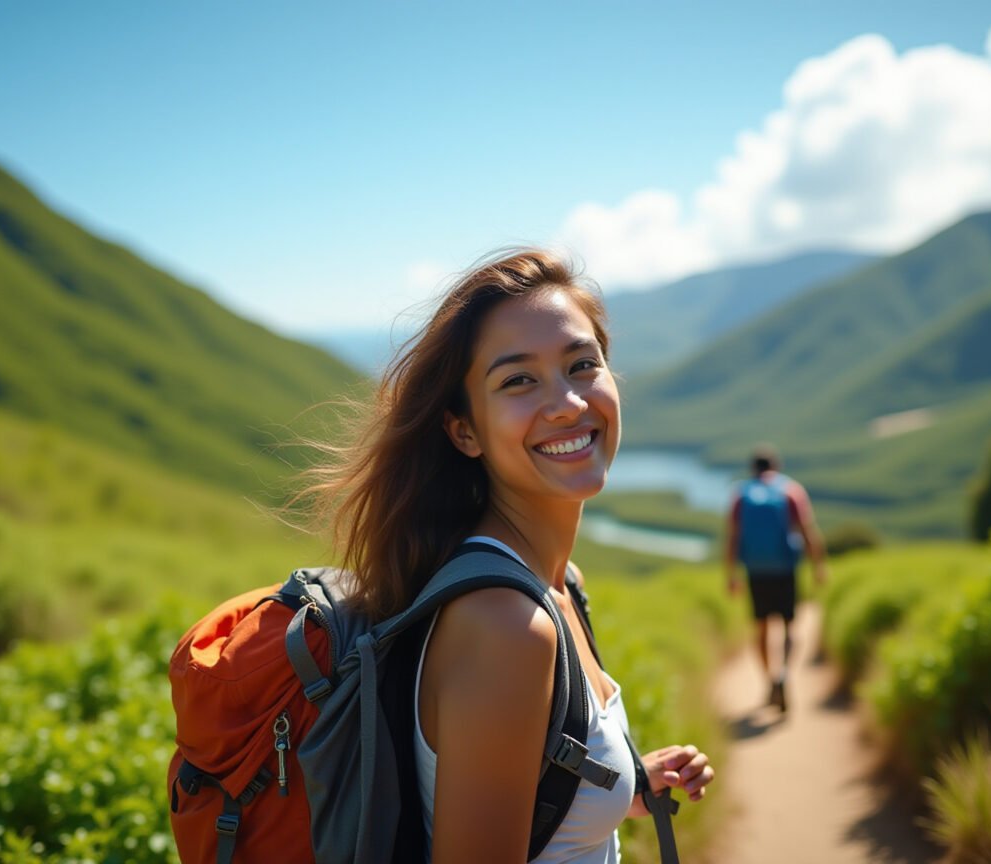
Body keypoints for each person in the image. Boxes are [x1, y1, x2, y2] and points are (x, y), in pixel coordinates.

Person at [303, 248, 714, 862]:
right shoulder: (506, 627)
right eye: (518, 380)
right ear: (464, 430)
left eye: (582, 364)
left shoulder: (556, 584)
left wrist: (624, 783)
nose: (569, 403)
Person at [723, 444, 827, 713]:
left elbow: (733, 537)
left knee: (761, 628)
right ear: (775, 466)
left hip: (756, 571)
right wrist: (819, 566)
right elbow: (807, 530)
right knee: (790, 627)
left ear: (753, 468)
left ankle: (770, 679)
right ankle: (784, 674)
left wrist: (731, 574)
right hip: (785, 569)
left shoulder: (741, 494)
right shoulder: (790, 490)